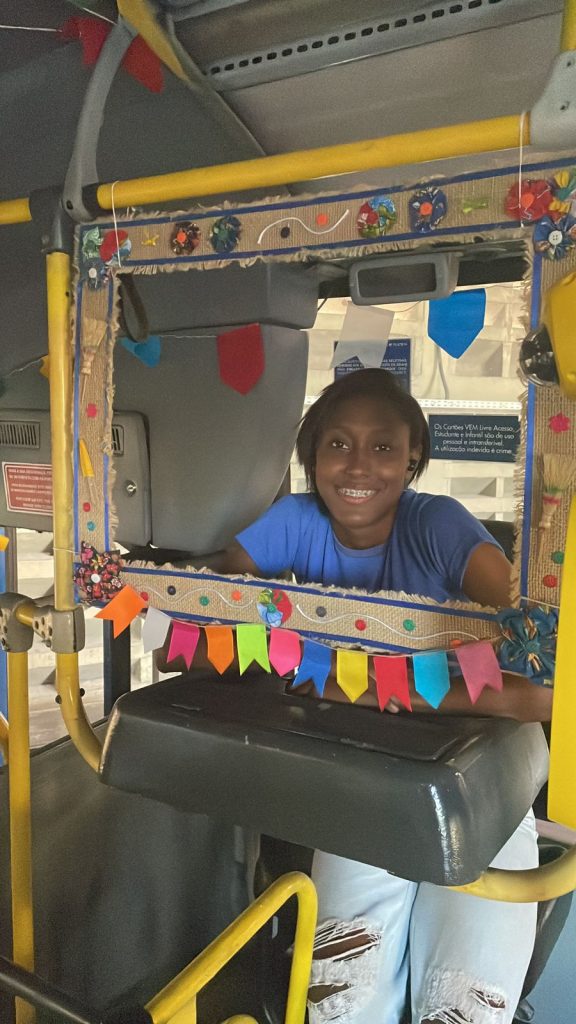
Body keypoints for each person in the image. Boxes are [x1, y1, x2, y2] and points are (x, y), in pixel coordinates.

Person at [180, 368, 552, 1024]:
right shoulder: (297, 520)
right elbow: (205, 617)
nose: (358, 466)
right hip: (363, 779)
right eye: (338, 444)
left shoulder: (438, 524)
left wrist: (364, 689)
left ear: (412, 458)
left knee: (465, 1007)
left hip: (482, 777)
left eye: (383, 447)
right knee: (343, 1001)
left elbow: (541, 681)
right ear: (311, 455)